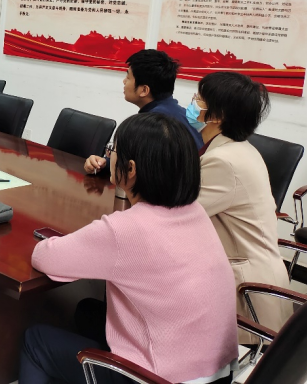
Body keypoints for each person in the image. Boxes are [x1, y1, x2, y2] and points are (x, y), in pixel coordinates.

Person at [21, 113, 237, 384]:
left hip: (160, 379)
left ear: (131, 169)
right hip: (218, 373)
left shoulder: (126, 229)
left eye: (112, 149)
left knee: (36, 342)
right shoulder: (196, 212)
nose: (109, 155)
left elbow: (45, 257)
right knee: (87, 311)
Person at [188, 72, 290, 337]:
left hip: (246, 291)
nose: (193, 102)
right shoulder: (239, 149)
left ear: (218, 115)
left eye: (200, 98)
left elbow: (178, 214)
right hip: (254, 272)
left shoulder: (224, 161)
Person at [84, 49, 203, 175]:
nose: (124, 81)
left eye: (128, 77)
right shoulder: (183, 114)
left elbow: (135, 170)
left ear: (144, 90)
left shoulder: (152, 125)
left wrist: (108, 164)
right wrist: (104, 163)